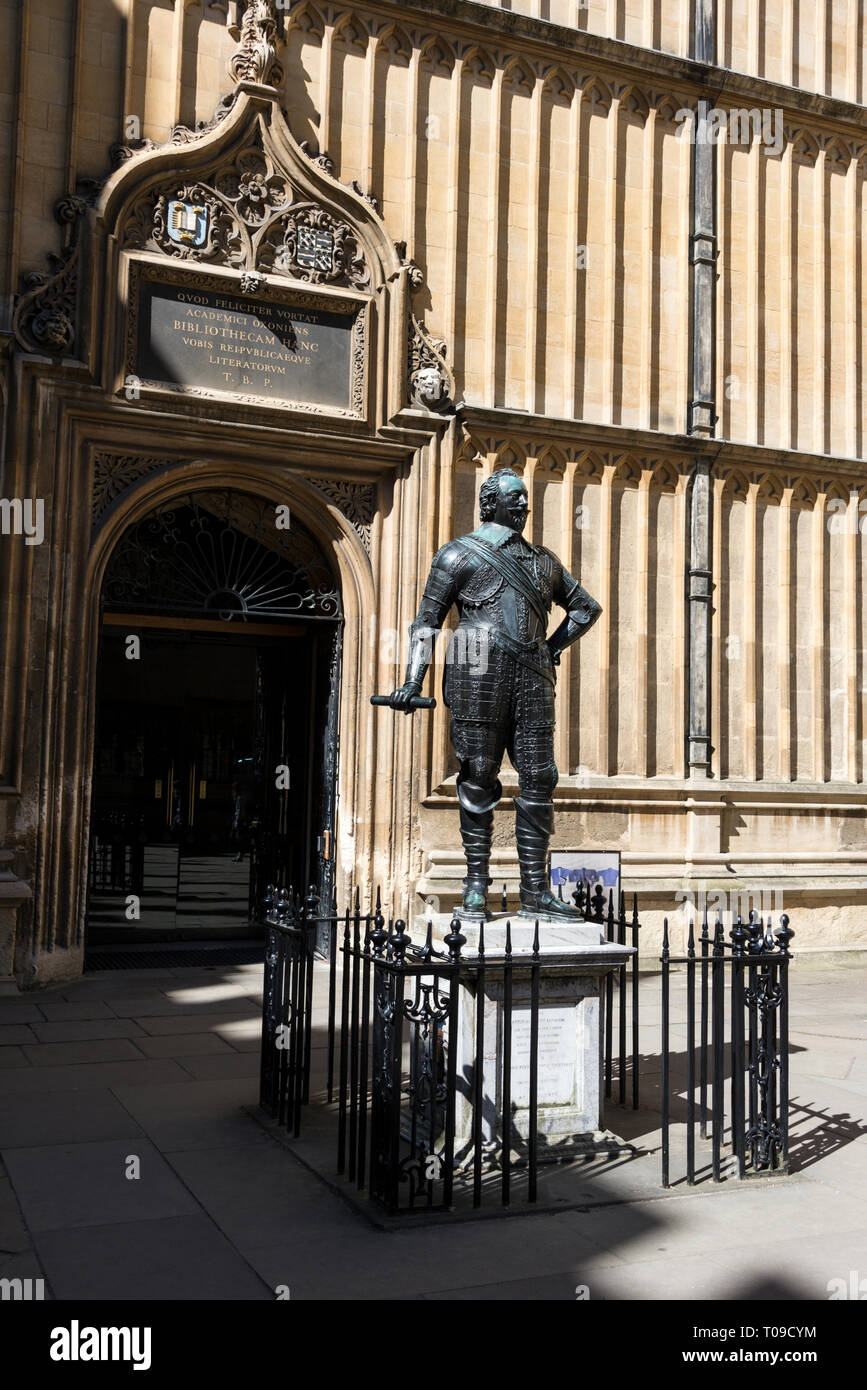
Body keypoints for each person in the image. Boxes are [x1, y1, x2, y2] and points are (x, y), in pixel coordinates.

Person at [387, 468, 601, 919]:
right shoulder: (458, 555)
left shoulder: (544, 561)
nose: (523, 505)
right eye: (514, 498)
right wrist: (412, 681)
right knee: (480, 774)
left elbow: (586, 608)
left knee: (541, 777)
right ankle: (476, 886)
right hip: (475, 670)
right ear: (490, 503)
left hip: (532, 677)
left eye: (525, 498)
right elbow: (426, 623)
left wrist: (552, 646)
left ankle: (536, 891)